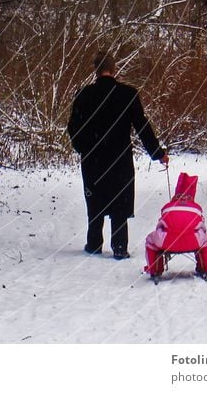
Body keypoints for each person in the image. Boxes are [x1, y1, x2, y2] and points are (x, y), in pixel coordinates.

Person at [67, 51, 169, 259]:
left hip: (93, 160)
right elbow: (142, 127)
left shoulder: (84, 95)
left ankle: (94, 243)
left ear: (95, 70)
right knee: (120, 201)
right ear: (114, 69)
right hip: (119, 158)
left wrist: (83, 147)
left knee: (94, 199)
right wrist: (158, 153)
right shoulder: (128, 94)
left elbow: (73, 127)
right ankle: (120, 247)